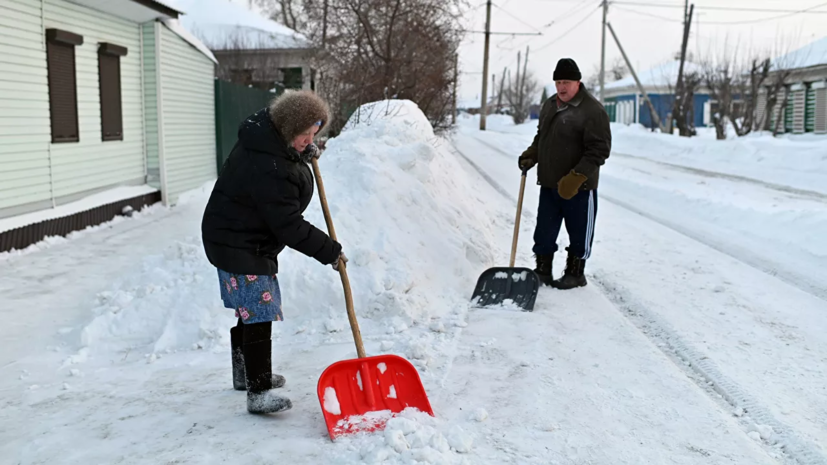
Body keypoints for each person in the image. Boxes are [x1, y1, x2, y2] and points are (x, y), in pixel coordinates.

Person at [201, 90, 346, 414]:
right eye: (304, 134)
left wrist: (301, 153)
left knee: (249, 310)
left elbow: (286, 165)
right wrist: (329, 251)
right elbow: (288, 225)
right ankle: (258, 390)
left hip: (237, 237)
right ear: (286, 128)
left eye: (314, 134)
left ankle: (245, 374)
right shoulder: (268, 165)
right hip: (239, 243)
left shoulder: (268, 139)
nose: (309, 140)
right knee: (260, 311)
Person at [518, 58, 611, 290]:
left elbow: (599, 150)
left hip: (579, 187)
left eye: (566, 82)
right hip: (549, 182)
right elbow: (543, 137)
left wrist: (577, 177)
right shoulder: (550, 105)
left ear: (578, 82)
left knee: (579, 232)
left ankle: (575, 273)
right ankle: (543, 270)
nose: (562, 87)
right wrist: (532, 154)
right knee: (544, 230)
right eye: (558, 81)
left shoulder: (592, 110)